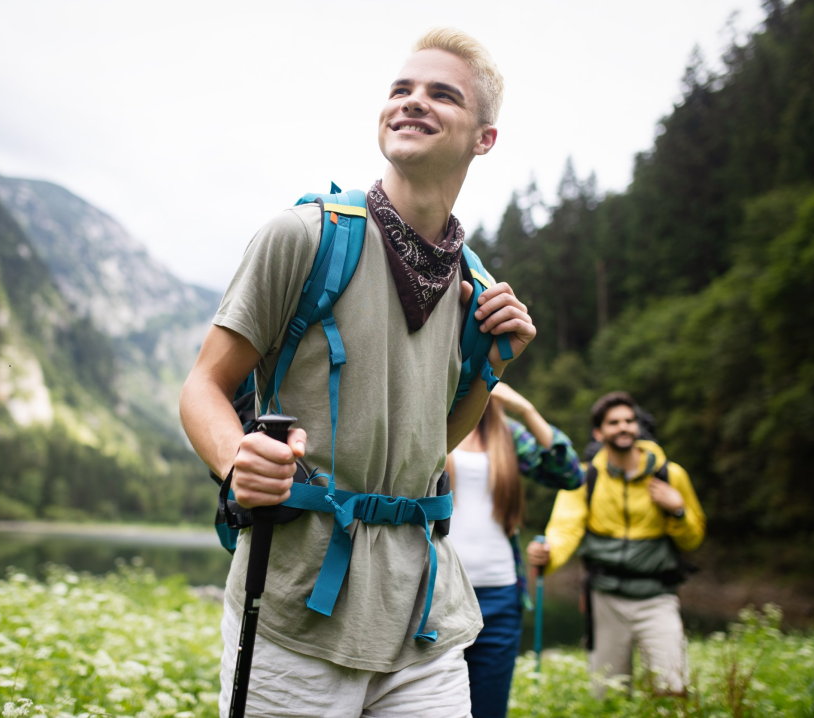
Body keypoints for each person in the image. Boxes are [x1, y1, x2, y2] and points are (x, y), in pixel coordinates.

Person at [179, 28, 536, 717]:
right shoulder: (304, 235)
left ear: (483, 139)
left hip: (424, 618)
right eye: (400, 89)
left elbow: (427, 445)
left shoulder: (477, 288)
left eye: (440, 94)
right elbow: (204, 386)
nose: (411, 102)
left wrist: (489, 369)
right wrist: (236, 463)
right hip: (293, 608)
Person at [526, 391, 706, 698]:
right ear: (599, 432)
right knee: (607, 694)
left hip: (657, 596)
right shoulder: (584, 478)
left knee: (672, 688)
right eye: (614, 422)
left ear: (637, 427)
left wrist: (676, 509)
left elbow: (693, 538)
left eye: (629, 420)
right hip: (605, 598)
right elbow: (565, 528)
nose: (623, 427)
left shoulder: (671, 475)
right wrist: (548, 555)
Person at [446, 381, 583, 717]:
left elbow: (569, 475)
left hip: (500, 594)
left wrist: (526, 409)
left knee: (490, 708)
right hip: (440, 595)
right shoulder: (435, 422)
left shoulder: (507, 432)